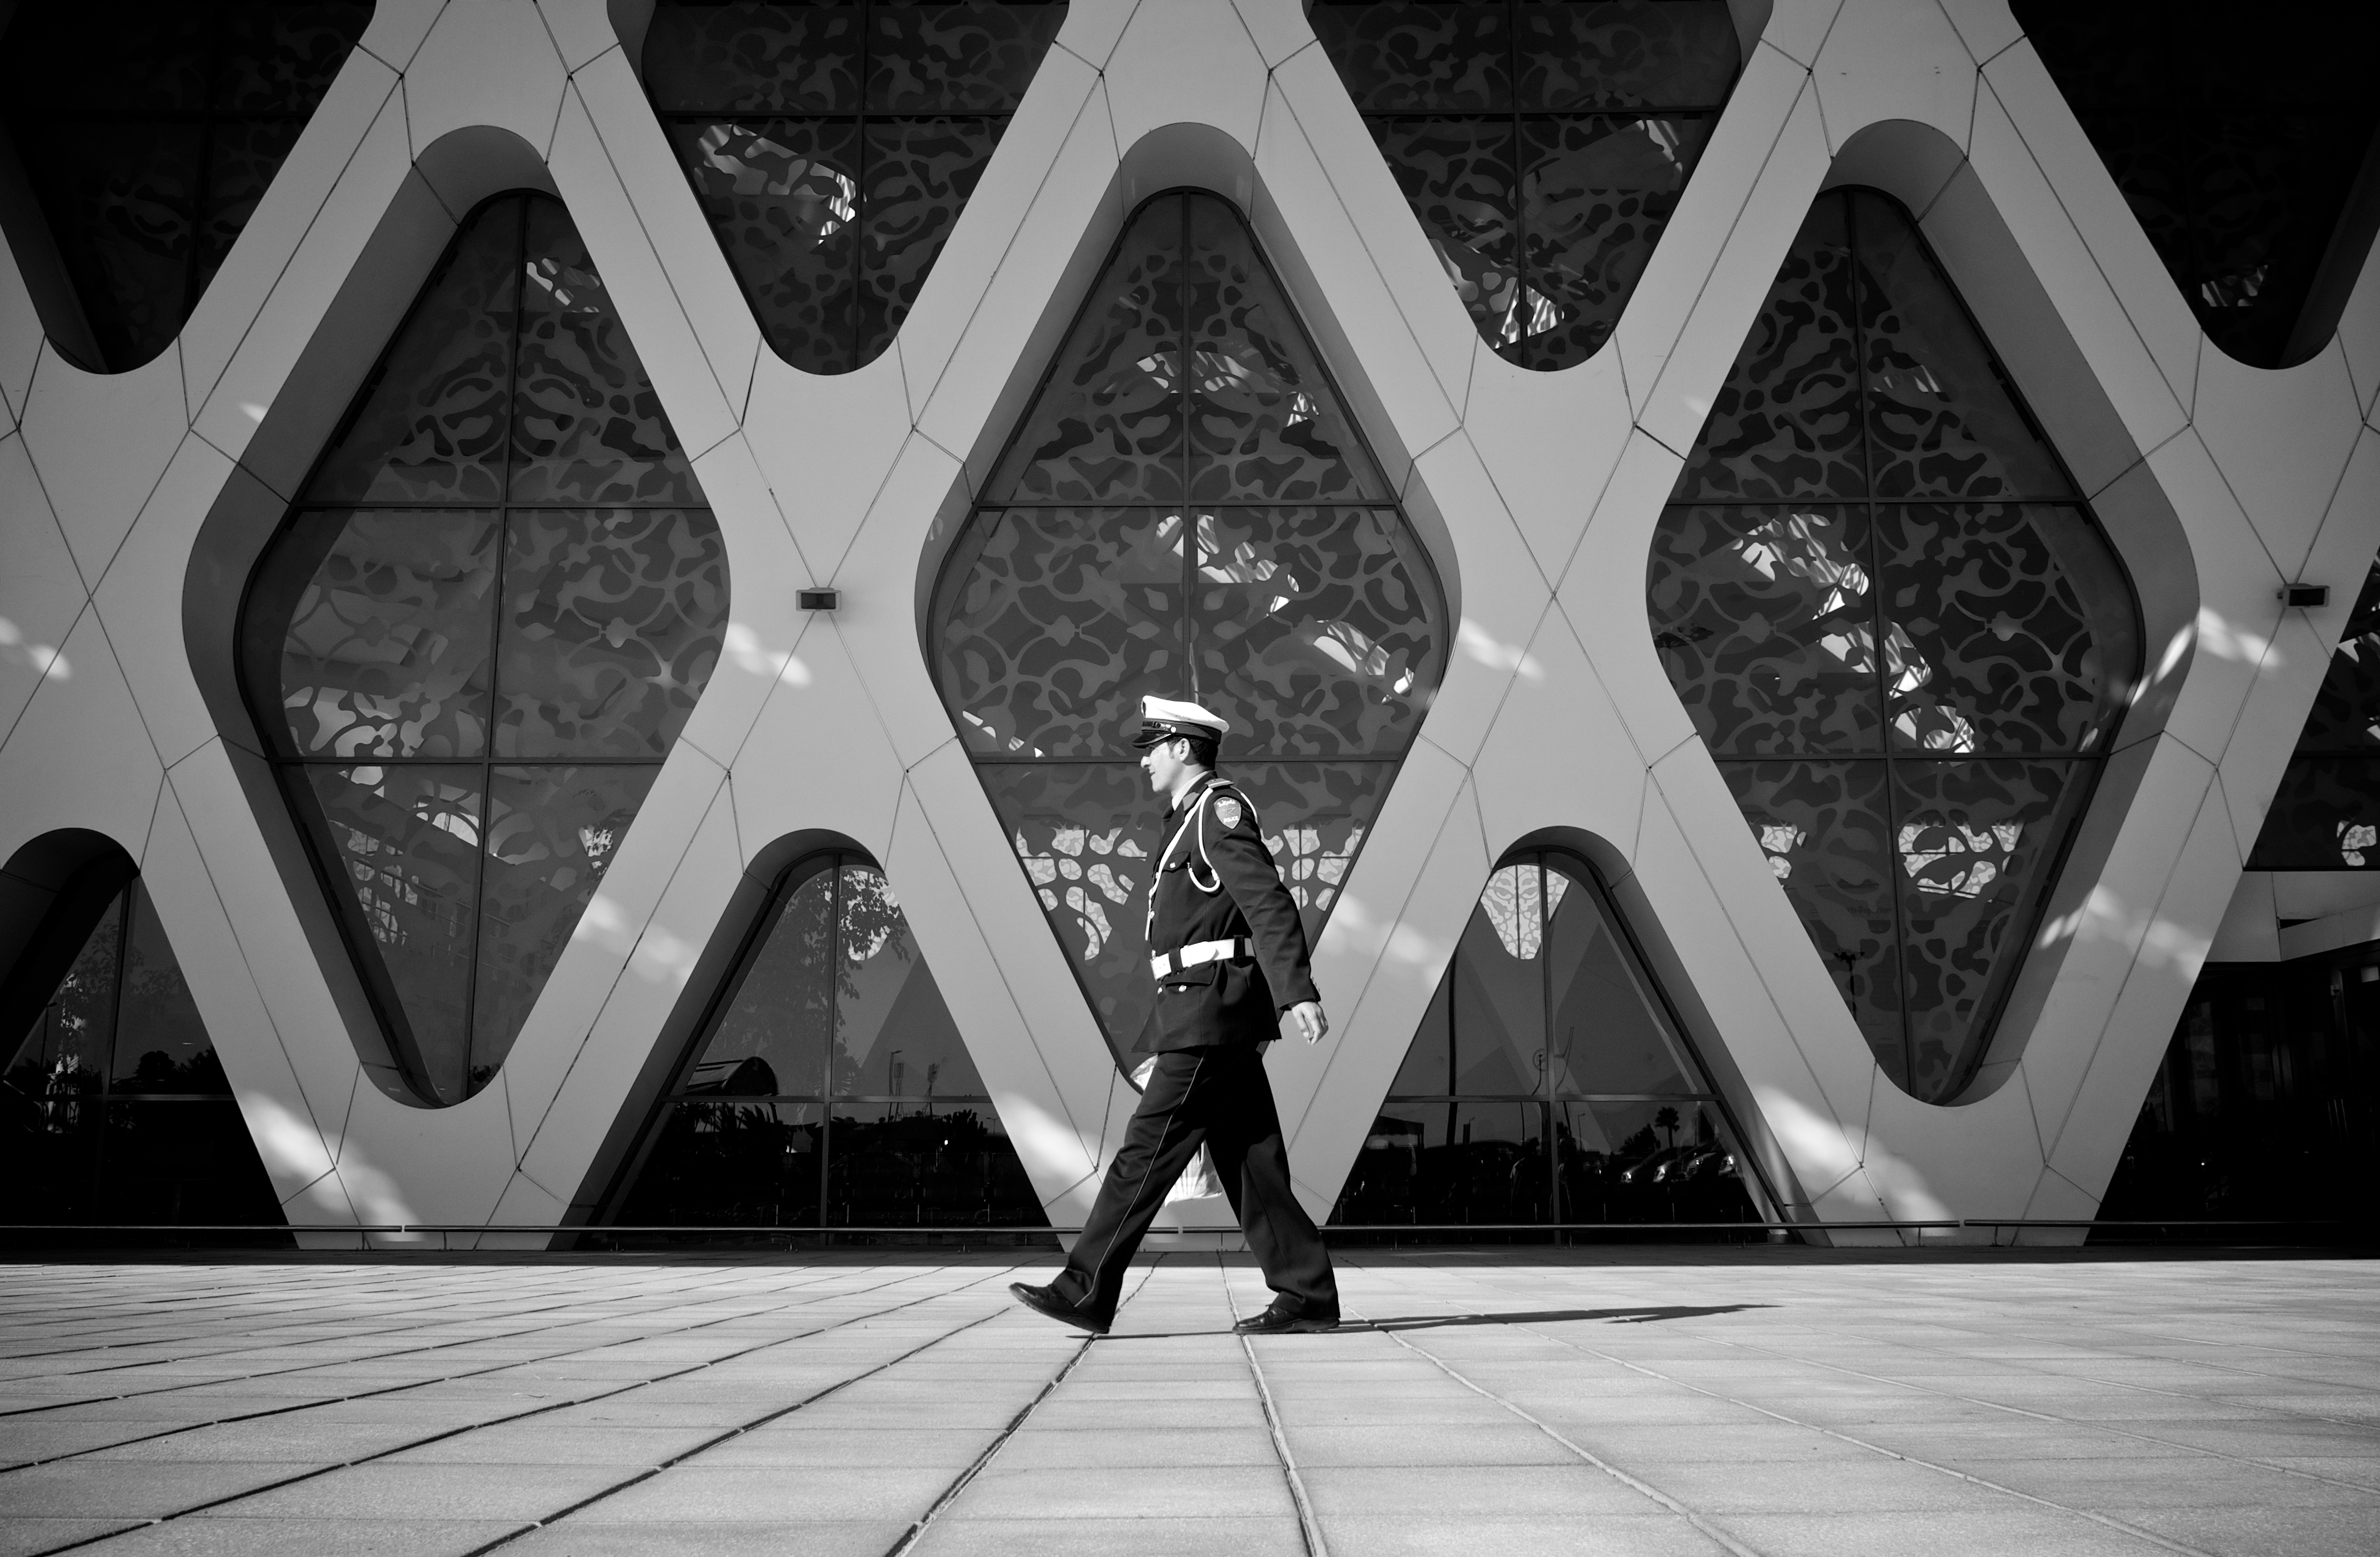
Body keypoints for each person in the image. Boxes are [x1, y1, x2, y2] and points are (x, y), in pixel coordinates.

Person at [1010, 695, 1342, 1336]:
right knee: (1252, 1163)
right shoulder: (1186, 819)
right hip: (1203, 1012)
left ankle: (1086, 1288)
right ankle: (1306, 1294)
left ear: (1183, 748)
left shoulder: (1218, 813)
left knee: (1143, 1154)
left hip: (1209, 1013)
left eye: (1153, 748)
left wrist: (1297, 989)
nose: (1145, 762)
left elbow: (1267, 903)